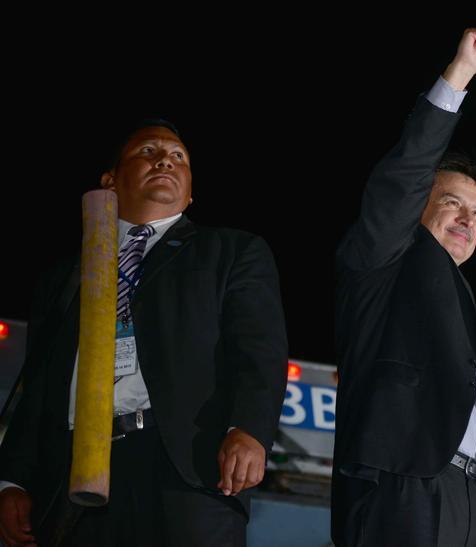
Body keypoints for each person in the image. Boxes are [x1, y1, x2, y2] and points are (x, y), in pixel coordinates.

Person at [0, 120, 289, 546]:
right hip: (74, 480)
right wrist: (12, 481)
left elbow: (259, 351)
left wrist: (248, 428)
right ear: (110, 180)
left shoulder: (231, 252)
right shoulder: (64, 277)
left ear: (190, 194)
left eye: (179, 158)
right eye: (149, 151)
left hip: (184, 473)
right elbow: (38, 383)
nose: (165, 160)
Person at [332, 28, 476, 546]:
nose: (468, 219)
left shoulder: (461, 300)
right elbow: (406, 173)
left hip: (474, 501)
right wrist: (461, 75)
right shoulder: (384, 259)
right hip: (409, 489)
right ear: (416, 208)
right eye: (452, 202)